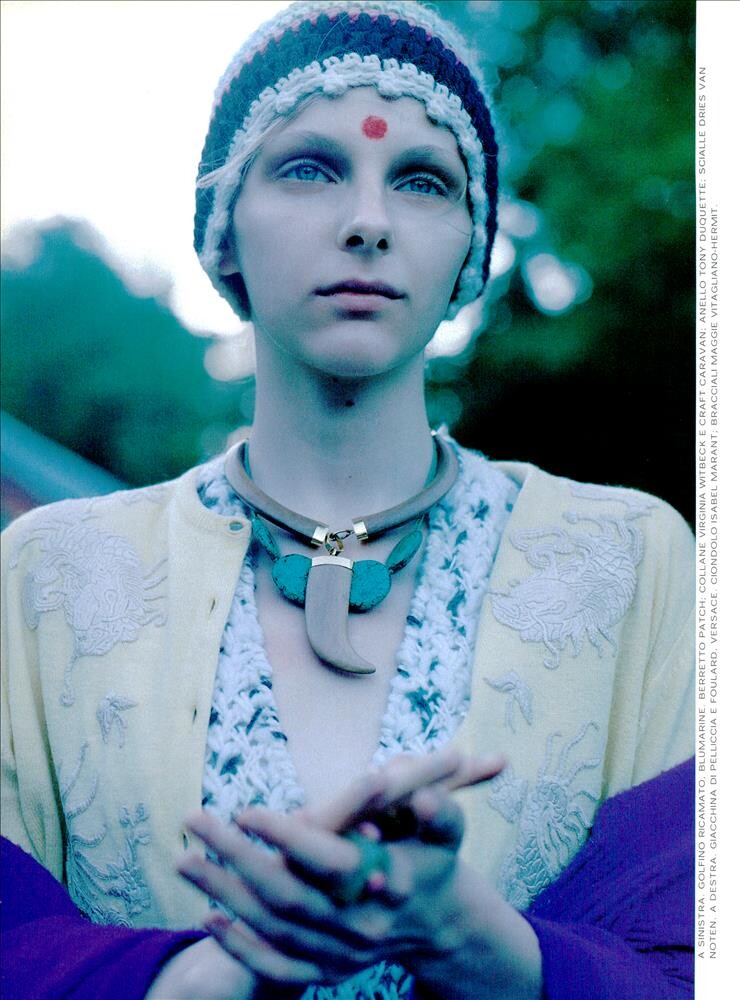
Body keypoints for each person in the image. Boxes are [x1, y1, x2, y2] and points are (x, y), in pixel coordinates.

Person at [1, 2, 694, 998]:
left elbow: (691, 957)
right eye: (308, 167)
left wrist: (481, 945)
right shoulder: (46, 575)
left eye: (421, 180)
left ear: (469, 248)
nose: (367, 222)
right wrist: (205, 974)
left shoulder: (630, 563)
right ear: (222, 230)